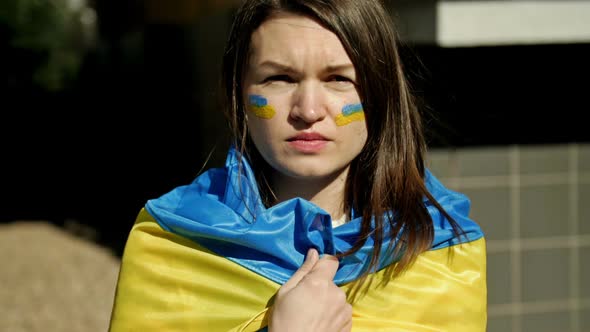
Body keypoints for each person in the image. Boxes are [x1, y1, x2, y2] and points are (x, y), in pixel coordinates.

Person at [108, 0, 487, 331]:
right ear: (235, 95)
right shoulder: (173, 242)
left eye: (338, 79)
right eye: (280, 78)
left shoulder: (441, 250)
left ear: (382, 93)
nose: (307, 110)